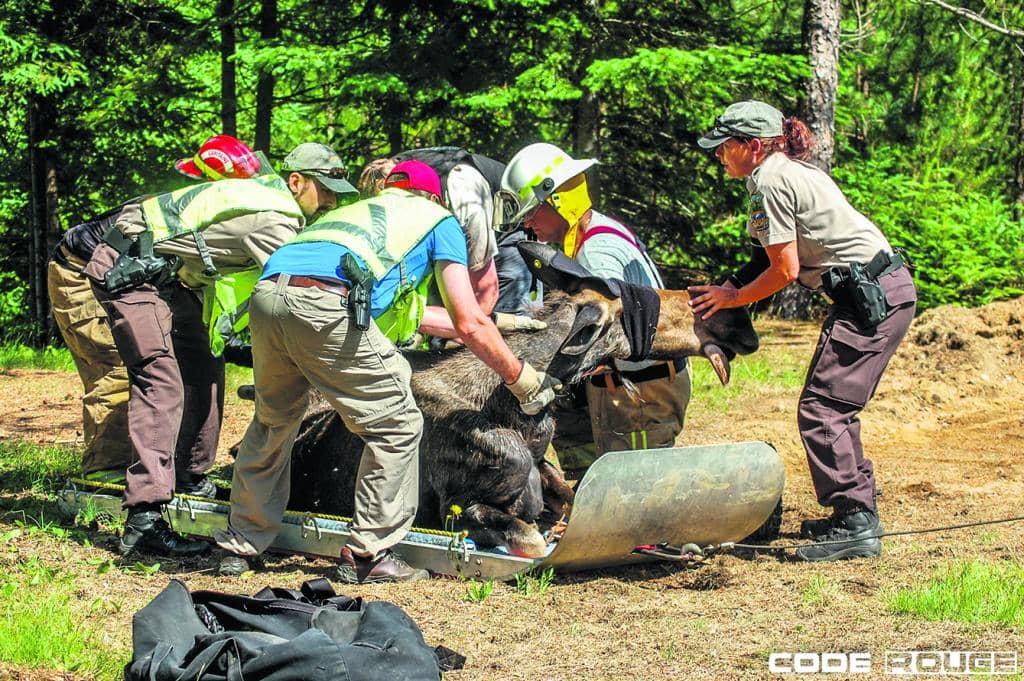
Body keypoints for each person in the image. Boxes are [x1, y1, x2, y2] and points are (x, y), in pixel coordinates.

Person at [213, 160, 561, 582]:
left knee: (273, 421)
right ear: (434, 197)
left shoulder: (355, 216)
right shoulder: (438, 221)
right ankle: (369, 554)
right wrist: (518, 376)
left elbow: (411, 315)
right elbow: (469, 321)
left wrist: (499, 323)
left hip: (269, 298)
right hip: (326, 303)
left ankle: (241, 545)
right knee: (396, 424)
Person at [689, 100, 918, 562]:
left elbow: (785, 270)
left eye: (724, 146)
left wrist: (734, 299)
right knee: (828, 406)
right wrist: (728, 287)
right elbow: (765, 256)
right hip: (879, 290)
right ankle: (850, 514)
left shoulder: (771, 181)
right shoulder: (781, 172)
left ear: (752, 146)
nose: (717, 154)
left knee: (824, 410)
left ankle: (856, 522)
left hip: (872, 298)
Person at [81, 143, 314, 558]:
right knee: (160, 379)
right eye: (326, 193)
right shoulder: (275, 216)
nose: (328, 203)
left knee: (204, 363)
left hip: (166, 272)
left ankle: (190, 474)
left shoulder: (253, 196)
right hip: (126, 264)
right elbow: (295, 290)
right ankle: (144, 517)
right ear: (297, 182)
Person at [47, 134, 262, 482]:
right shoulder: (171, 206)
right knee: (120, 360)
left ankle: (184, 470)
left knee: (198, 361)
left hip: (153, 281)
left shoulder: (234, 213)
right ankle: (108, 473)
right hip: (84, 268)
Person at [500, 142, 692, 465]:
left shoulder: (596, 252)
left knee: (636, 489)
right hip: (633, 384)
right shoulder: (594, 234)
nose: (528, 223)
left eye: (532, 211)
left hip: (641, 392)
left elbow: (604, 338)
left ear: (558, 200)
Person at [357, 149, 540, 336]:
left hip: (506, 232)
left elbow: (486, 291)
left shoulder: (465, 198)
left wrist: (465, 339)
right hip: (453, 220)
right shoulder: (394, 177)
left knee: (500, 329)